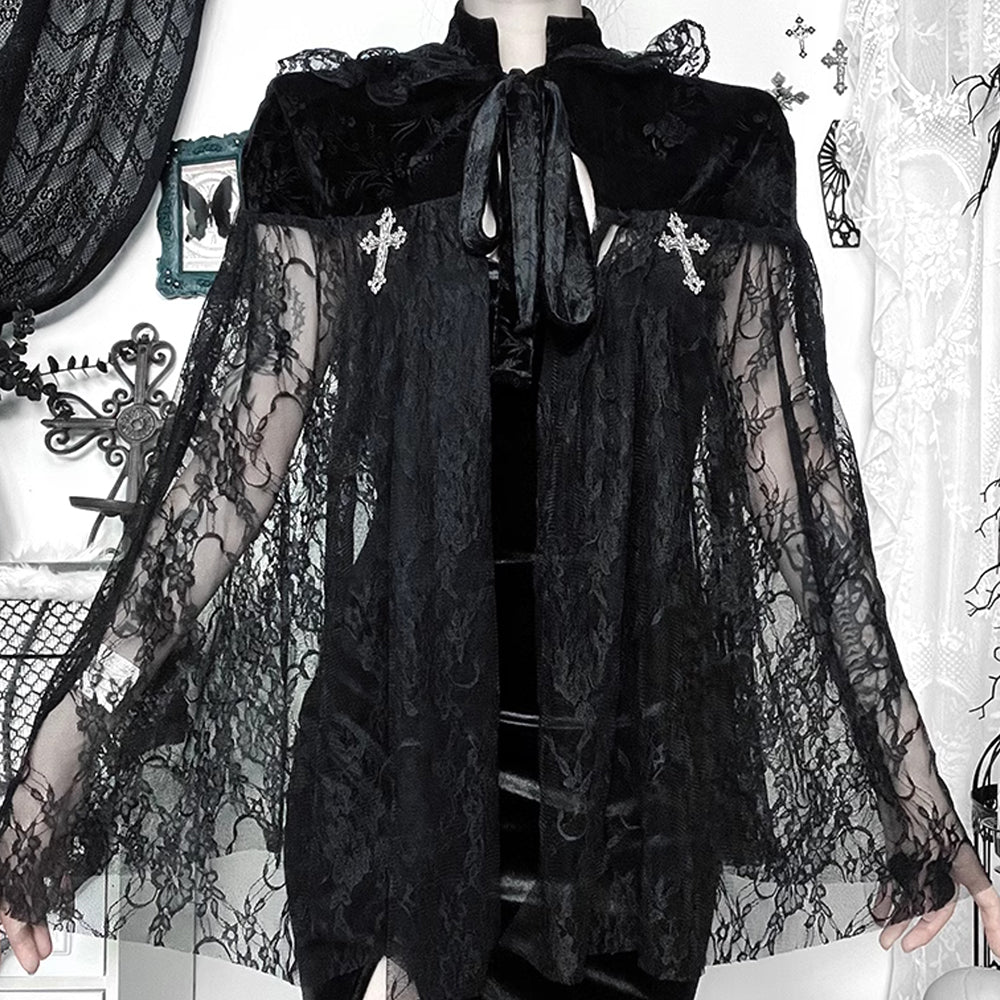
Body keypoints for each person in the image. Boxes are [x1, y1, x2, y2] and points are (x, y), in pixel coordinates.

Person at [2, 2, 1000, 998]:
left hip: (628, 783)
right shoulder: (333, 136)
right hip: (397, 756)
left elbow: (802, 508)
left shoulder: (718, 149)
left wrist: (917, 795)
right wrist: (54, 765)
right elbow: (224, 483)